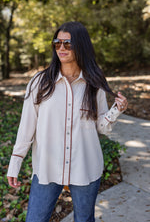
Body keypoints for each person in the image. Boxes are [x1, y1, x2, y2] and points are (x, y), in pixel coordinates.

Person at [7, 21, 128, 222]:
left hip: (85, 166)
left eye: (68, 44)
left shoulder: (94, 83)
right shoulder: (40, 82)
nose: (61, 48)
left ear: (81, 46)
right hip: (47, 167)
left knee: (84, 219)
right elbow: (26, 127)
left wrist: (116, 111)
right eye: (57, 43)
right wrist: (15, 163)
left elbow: (101, 127)